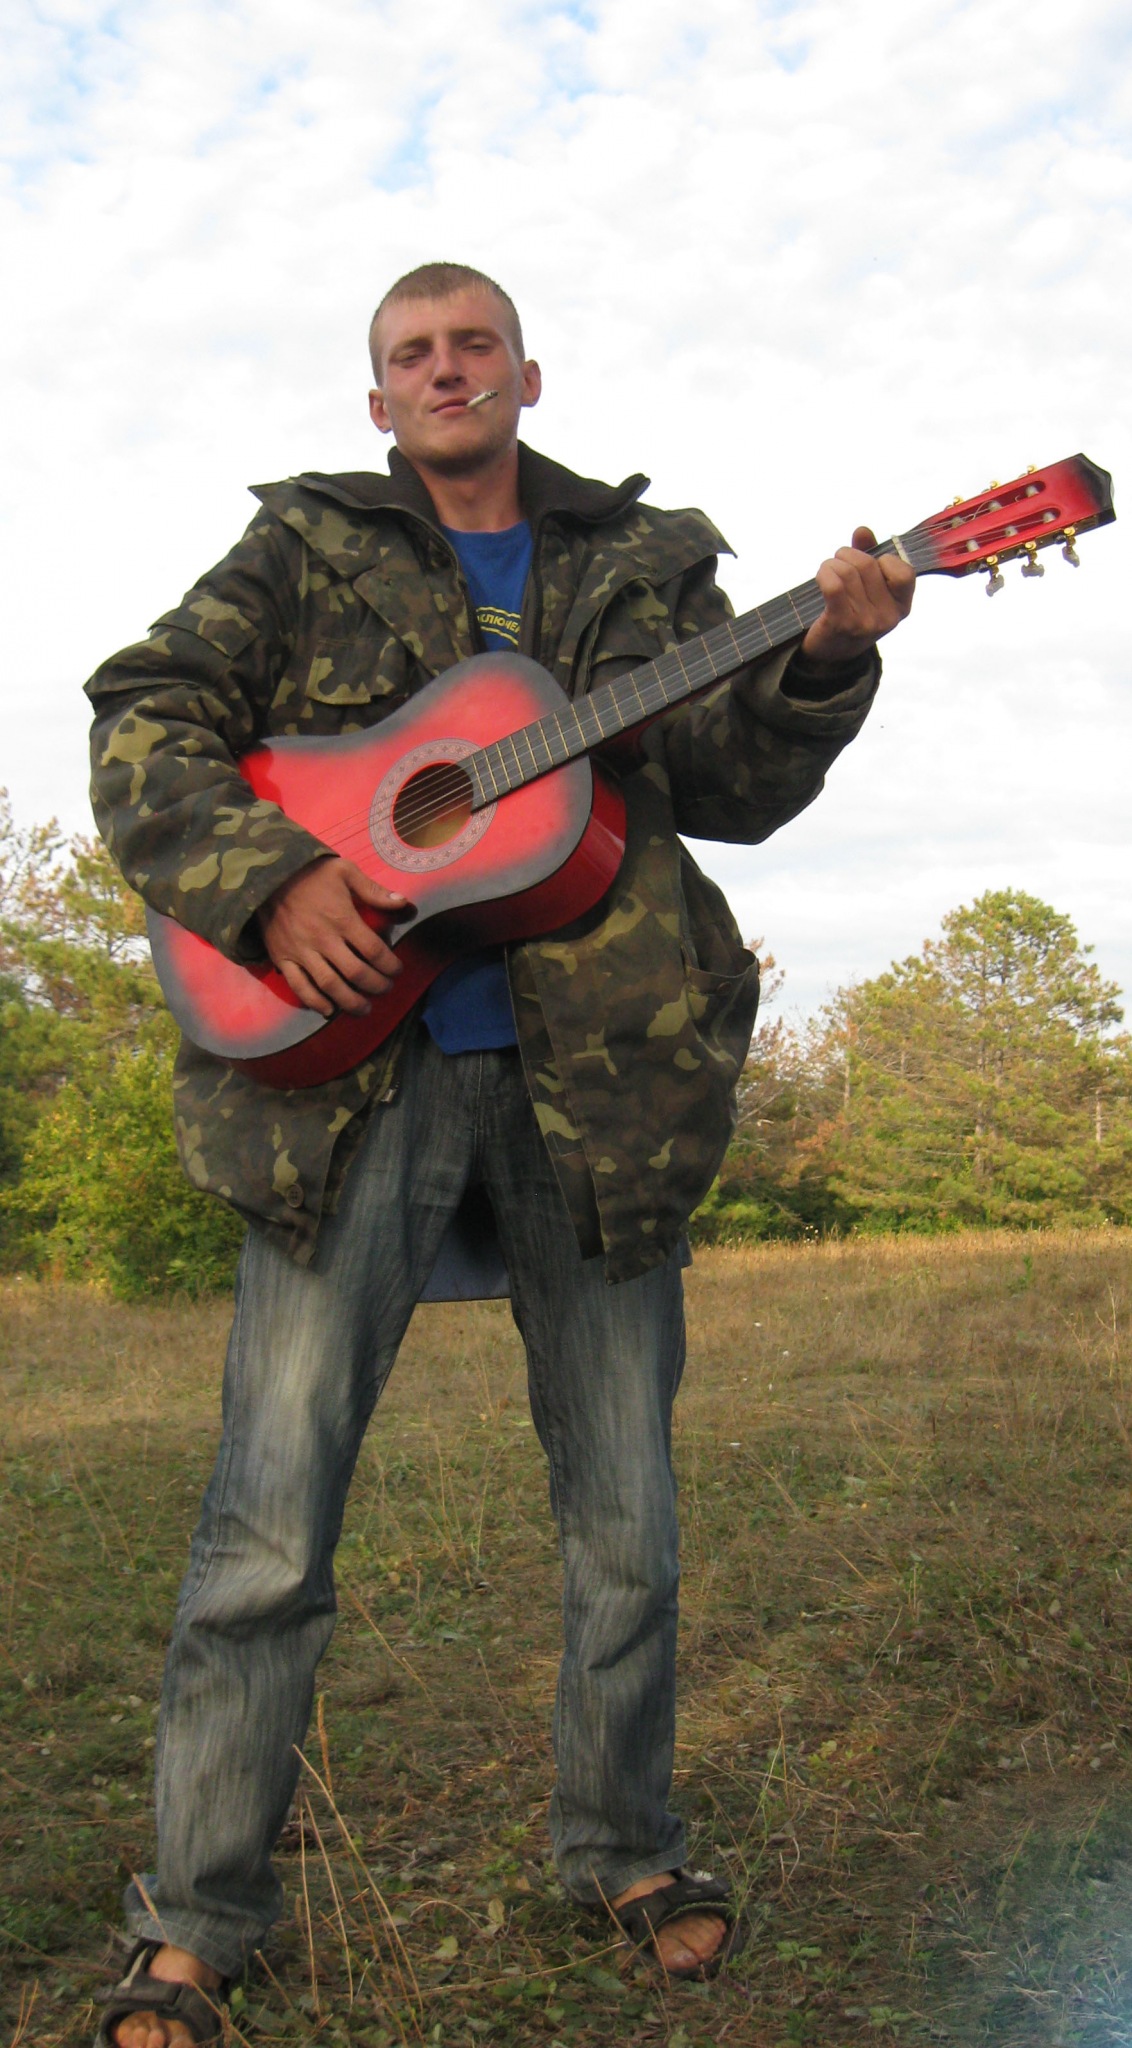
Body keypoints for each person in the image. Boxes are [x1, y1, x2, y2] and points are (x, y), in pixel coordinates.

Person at [86, 261, 914, 2046]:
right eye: (414, 354)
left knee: (628, 1519)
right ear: (379, 399)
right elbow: (146, 716)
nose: (446, 370)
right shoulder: (301, 549)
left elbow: (730, 785)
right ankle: (199, 1917)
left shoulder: (643, 563)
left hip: (601, 1092)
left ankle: (626, 1850)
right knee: (267, 1530)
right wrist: (270, 880)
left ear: (528, 376)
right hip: (343, 1094)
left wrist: (826, 657)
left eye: (475, 345)